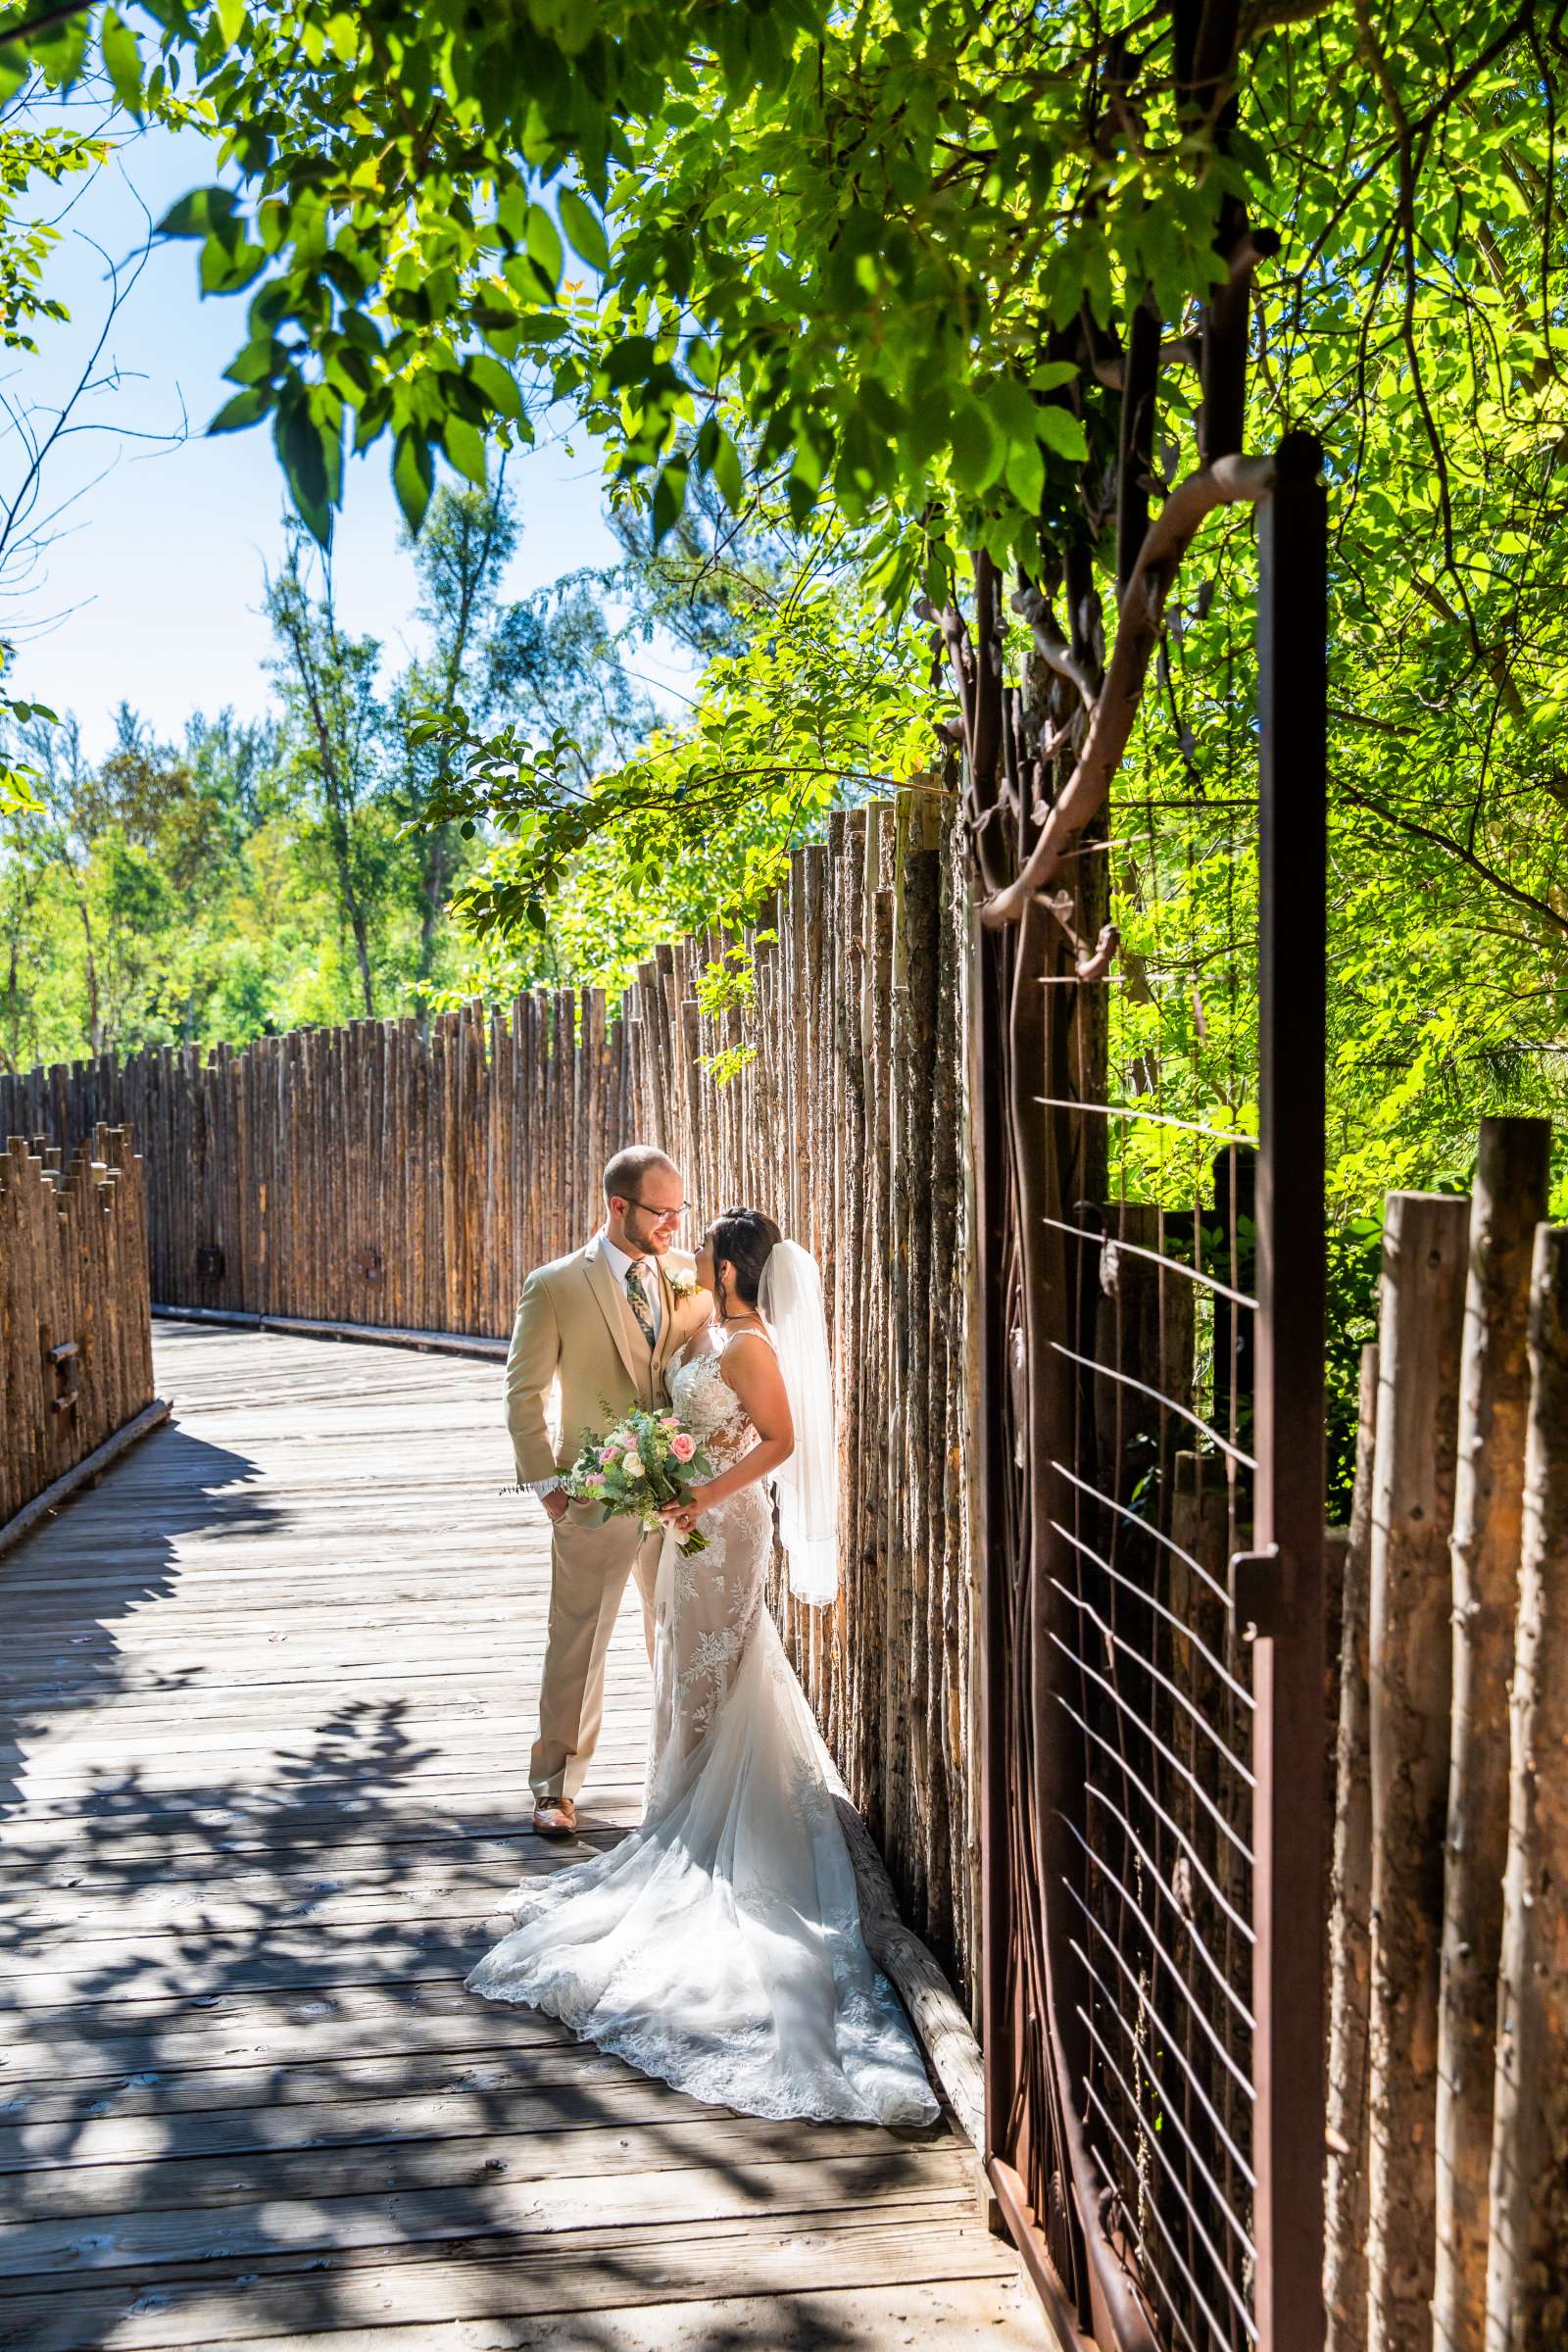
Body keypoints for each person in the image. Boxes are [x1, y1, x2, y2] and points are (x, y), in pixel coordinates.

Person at [467, 1206, 940, 2128]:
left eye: (706, 1248)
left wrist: (700, 1497)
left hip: (721, 1528)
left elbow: (780, 1442)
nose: (690, 1250)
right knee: (689, 1670)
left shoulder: (752, 1348)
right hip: (692, 1524)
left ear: (730, 1272)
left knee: (714, 1669)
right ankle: (681, 1811)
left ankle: (708, 1823)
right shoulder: (707, 1320)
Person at [503, 1145, 712, 1838]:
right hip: (593, 1494)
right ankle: (554, 1787)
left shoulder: (687, 1277)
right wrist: (548, 1488)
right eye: (661, 1212)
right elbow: (523, 1392)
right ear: (617, 1205)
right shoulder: (556, 1285)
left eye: (680, 1211)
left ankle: (677, 1777)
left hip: (675, 1492)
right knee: (578, 1638)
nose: (674, 1226)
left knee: (675, 1634)